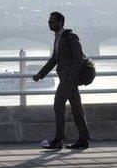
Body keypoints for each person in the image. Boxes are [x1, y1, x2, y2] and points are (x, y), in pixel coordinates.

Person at [33, 12, 90, 150]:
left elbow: (79, 58)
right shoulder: (57, 38)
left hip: (68, 79)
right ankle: (84, 139)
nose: (49, 23)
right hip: (68, 79)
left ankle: (58, 140)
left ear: (60, 22)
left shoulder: (70, 37)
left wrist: (70, 75)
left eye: (52, 21)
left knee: (58, 105)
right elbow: (54, 59)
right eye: (49, 21)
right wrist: (41, 74)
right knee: (77, 109)